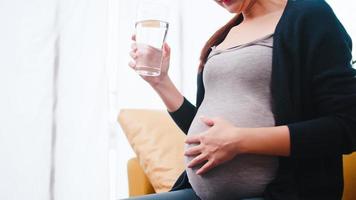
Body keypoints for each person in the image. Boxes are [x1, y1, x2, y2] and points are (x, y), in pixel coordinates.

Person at [126, 0, 356, 199]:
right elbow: (208, 135)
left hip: (281, 193)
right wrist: (160, 82)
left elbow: (346, 127)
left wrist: (239, 140)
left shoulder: (310, 15)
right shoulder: (225, 35)